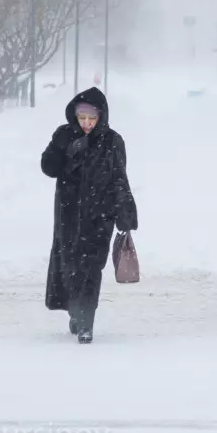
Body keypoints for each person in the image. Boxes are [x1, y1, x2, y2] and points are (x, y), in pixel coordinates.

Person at [40, 88, 137, 344]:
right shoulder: (64, 135)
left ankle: (86, 323)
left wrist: (124, 214)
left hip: (99, 216)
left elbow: (119, 178)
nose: (86, 124)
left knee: (92, 269)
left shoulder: (112, 141)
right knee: (71, 268)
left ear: (101, 116)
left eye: (91, 119)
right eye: (82, 118)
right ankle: (75, 311)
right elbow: (48, 168)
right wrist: (61, 148)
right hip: (69, 215)